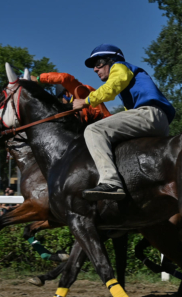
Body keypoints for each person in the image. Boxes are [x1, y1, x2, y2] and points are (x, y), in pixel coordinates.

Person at [72, 44, 176, 201]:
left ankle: (111, 183)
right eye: (94, 66)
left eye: (98, 63)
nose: (95, 69)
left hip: (149, 115)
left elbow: (110, 88)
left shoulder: (119, 66)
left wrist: (86, 101)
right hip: (158, 122)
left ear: (112, 60)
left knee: (94, 131)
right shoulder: (129, 83)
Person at [32, 71, 112, 123]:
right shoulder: (74, 107)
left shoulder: (83, 92)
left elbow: (65, 78)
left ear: (66, 94)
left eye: (60, 98)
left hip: (106, 124)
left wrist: (39, 79)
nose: (61, 101)